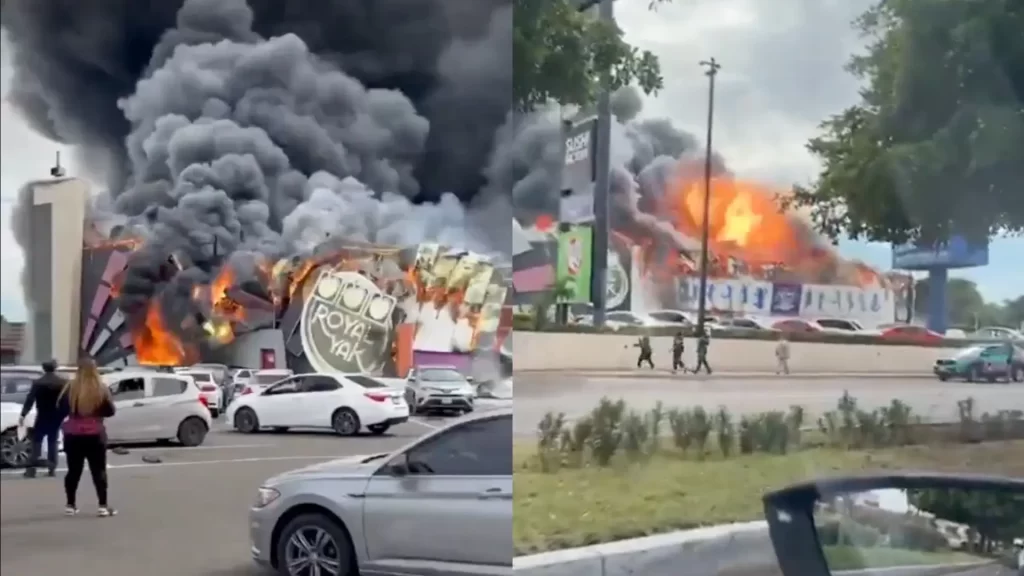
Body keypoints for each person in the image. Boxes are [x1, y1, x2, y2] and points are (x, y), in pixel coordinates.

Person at [58, 357, 117, 517]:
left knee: (73, 471)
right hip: (95, 434)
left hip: (73, 435)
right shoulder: (101, 389)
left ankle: (70, 505)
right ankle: (102, 506)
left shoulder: (70, 389)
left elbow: (61, 408)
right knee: (98, 471)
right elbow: (111, 411)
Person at [18, 360, 67, 478]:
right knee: (53, 441)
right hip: (56, 416)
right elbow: (67, 401)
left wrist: (23, 414)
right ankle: (52, 468)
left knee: (36, 441)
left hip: (42, 414)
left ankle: (32, 469)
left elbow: (30, 399)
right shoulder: (63, 382)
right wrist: (64, 414)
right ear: (55, 368)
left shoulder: (38, 383)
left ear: (43, 369)